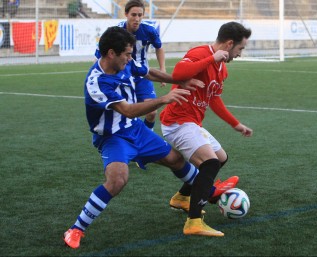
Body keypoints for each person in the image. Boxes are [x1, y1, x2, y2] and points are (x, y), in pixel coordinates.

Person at [63, 26, 236, 249]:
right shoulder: (97, 82)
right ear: (111, 54)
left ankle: (207, 193)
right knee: (117, 180)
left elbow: (149, 72)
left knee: (176, 160)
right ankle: (76, 229)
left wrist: (178, 80)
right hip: (114, 138)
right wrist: (165, 99)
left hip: (136, 130)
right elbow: (127, 110)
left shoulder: (124, 63)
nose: (130, 57)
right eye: (126, 54)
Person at [160, 21, 253, 236]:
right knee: (210, 163)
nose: (240, 54)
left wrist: (235, 124)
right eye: (240, 48)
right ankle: (193, 222)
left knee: (220, 158)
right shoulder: (200, 52)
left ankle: (182, 197)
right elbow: (179, 73)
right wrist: (211, 58)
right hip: (177, 121)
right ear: (229, 44)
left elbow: (214, 100)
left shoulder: (222, 69)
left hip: (191, 123)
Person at [95, 0, 165, 131]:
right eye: (133, 15)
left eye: (140, 15)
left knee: (152, 113)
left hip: (142, 75)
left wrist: (162, 69)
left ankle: (145, 136)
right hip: (122, 77)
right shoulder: (116, 33)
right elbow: (99, 55)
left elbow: (159, 47)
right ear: (126, 14)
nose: (137, 18)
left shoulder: (149, 31)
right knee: (128, 114)